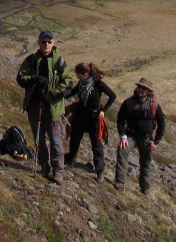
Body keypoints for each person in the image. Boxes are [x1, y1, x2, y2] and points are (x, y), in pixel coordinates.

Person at [16, 30, 73, 184]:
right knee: (39, 139)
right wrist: (35, 78)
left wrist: (54, 94)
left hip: (53, 107)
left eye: (49, 42)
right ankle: (44, 166)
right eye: (43, 42)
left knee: (55, 140)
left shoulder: (60, 61)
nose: (46, 44)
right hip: (35, 105)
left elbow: (68, 83)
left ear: (53, 43)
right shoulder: (31, 60)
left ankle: (58, 171)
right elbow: (20, 78)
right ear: (39, 42)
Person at [64, 62, 116, 182]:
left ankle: (100, 170)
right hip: (80, 116)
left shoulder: (98, 83)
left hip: (94, 118)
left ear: (86, 73)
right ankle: (70, 160)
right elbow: (71, 93)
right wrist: (60, 96)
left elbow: (112, 96)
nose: (77, 77)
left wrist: (103, 110)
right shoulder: (81, 83)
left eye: (78, 74)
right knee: (75, 139)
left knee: (96, 145)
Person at [114, 78, 166, 195]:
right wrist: (123, 136)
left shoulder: (154, 105)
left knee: (146, 162)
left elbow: (162, 123)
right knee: (122, 150)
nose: (140, 89)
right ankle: (120, 182)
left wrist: (156, 142)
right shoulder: (128, 103)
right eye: (139, 87)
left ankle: (145, 188)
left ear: (149, 91)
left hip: (146, 138)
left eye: (143, 88)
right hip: (130, 135)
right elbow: (120, 120)